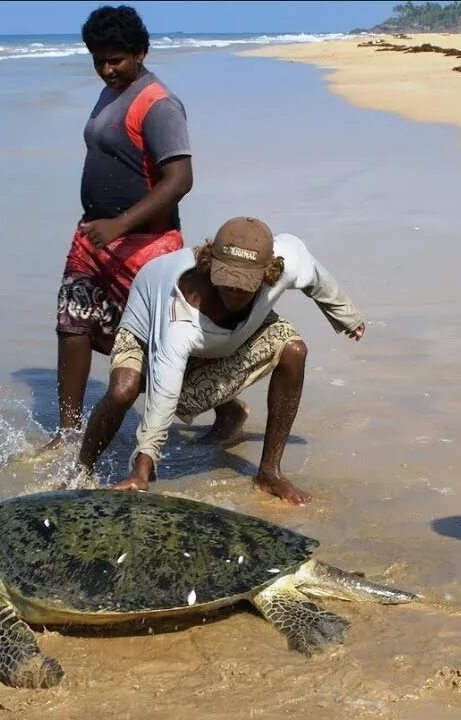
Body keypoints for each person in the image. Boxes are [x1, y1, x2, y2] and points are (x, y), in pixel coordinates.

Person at [75, 216, 366, 505]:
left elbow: (313, 273)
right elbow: (163, 392)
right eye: (226, 283)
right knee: (123, 390)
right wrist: (142, 469)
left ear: (270, 274)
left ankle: (269, 473)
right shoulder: (180, 312)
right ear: (210, 265)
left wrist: (346, 316)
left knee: (294, 350)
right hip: (146, 326)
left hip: (229, 336)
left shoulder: (287, 260)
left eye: (244, 286)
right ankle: (81, 470)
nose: (234, 294)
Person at [42, 5, 194, 453]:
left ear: (141, 52)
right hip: (93, 236)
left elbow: (180, 180)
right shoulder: (110, 91)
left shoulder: (159, 104)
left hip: (146, 243)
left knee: (160, 342)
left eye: (117, 60)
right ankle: (67, 432)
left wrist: (121, 224)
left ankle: (225, 409)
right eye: (99, 60)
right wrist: (102, 226)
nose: (107, 70)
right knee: (72, 325)